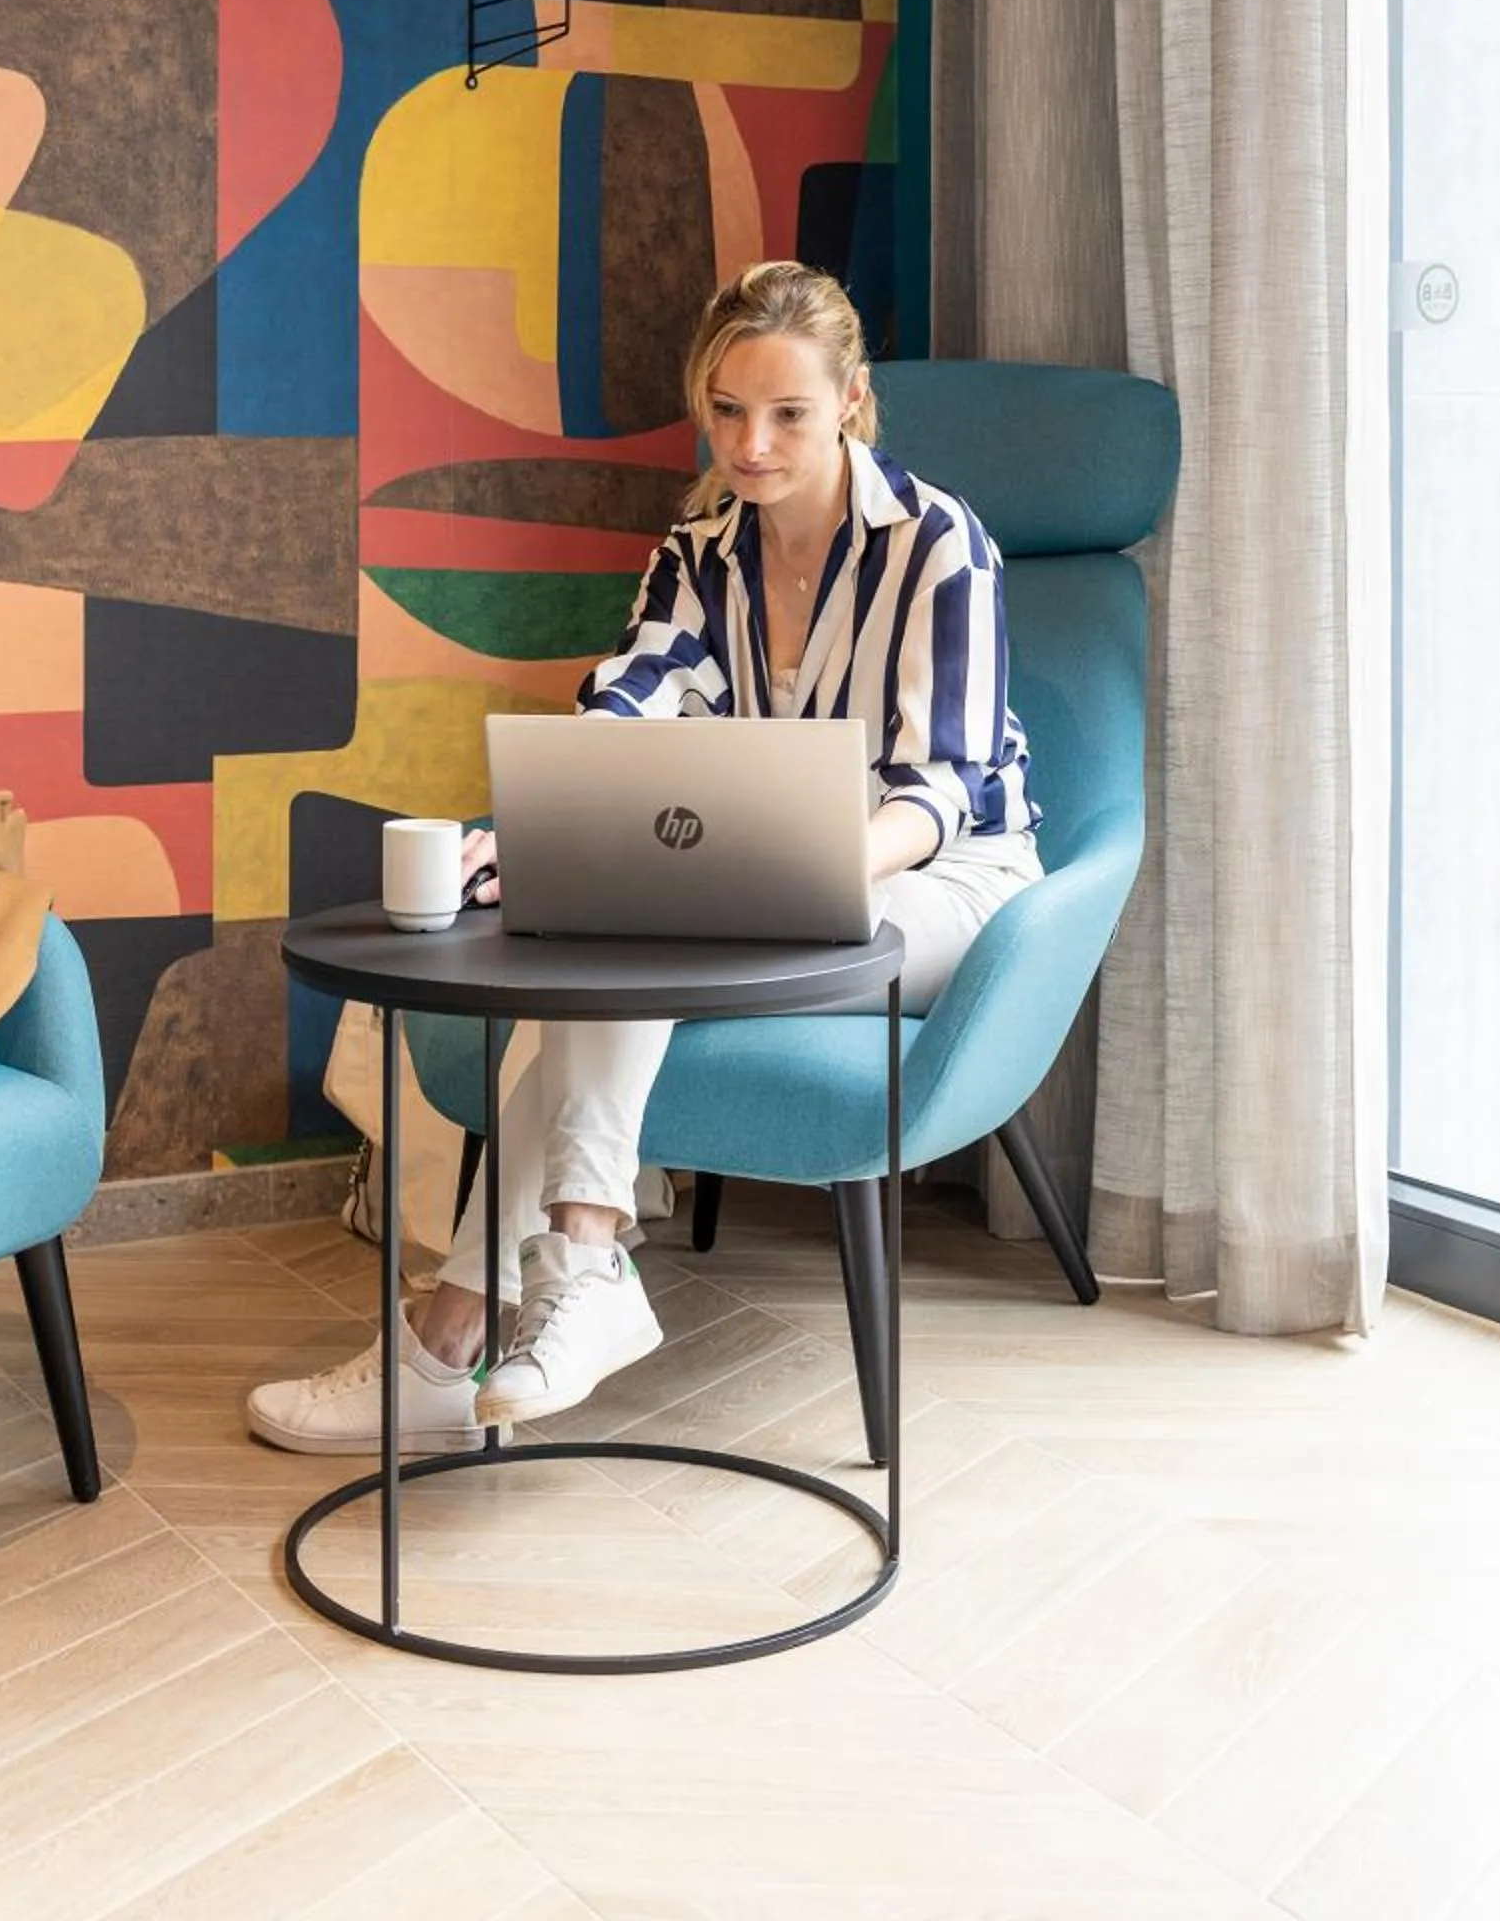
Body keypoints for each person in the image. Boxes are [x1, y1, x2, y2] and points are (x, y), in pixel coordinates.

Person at [245, 259, 1041, 1455]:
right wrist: (542, 835)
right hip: (762, 880)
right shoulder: (701, 547)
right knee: (615, 930)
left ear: (851, 403)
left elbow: (946, 784)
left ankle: (489, 1317)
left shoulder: (941, 546)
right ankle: (489, 1317)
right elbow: (630, 705)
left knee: (661, 921)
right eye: (726, 411)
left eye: (787, 413)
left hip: (944, 883)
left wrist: (803, 872)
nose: (751, 444)